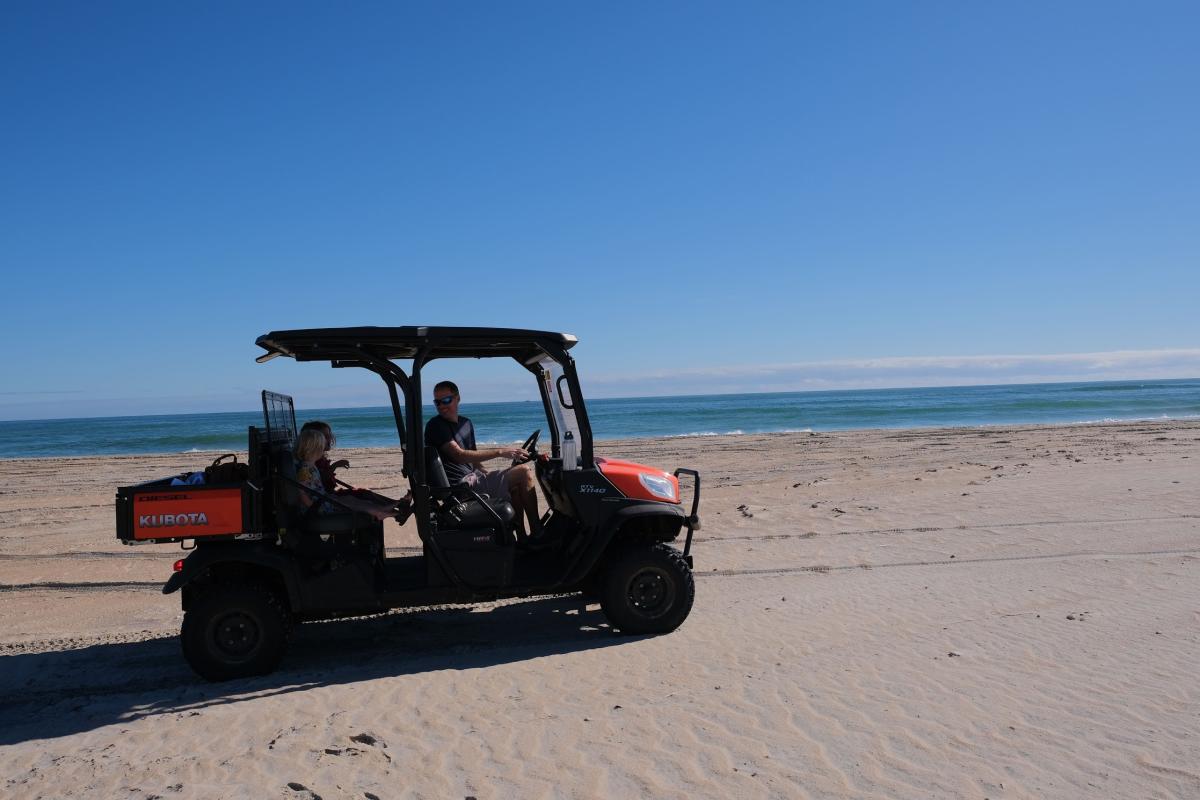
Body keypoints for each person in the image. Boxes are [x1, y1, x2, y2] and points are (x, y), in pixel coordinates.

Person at [424, 381, 543, 538]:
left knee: (514, 486)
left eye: (446, 400)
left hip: (474, 479)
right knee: (523, 473)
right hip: (461, 488)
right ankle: (538, 534)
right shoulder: (436, 425)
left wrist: (488, 473)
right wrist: (500, 452)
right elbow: (459, 455)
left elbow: (473, 459)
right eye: (437, 402)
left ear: (457, 398)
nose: (441, 406)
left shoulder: (465, 423)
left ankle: (521, 539)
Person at [300, 420, 412, 520]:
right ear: (313, 445)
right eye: (325, 436)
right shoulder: (309, 466)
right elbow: (307, 488)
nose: (329, 439)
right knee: (362, 495)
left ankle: (392, 507)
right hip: (323, 502)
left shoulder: (313, 463)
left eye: (329, 435)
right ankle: (391, 509)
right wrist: (334, 466)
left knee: (361, 494)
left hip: (327, 498)